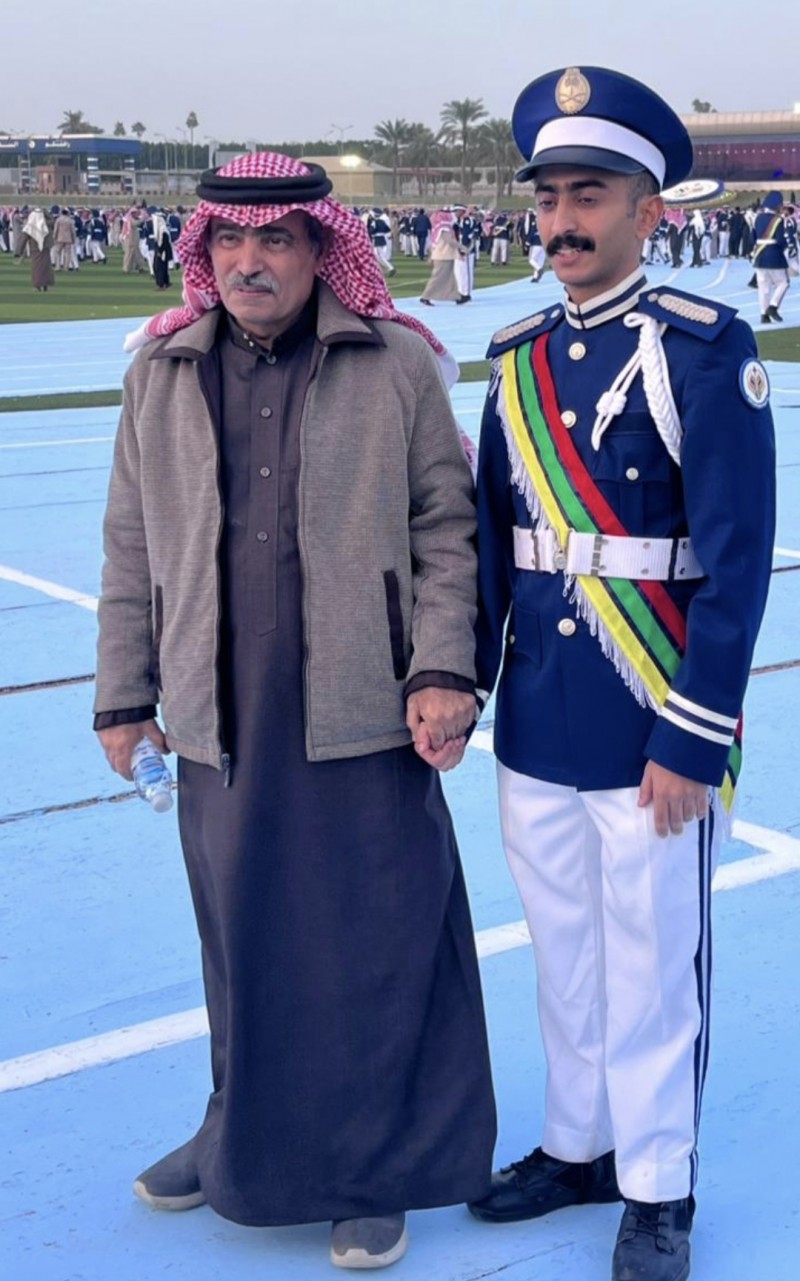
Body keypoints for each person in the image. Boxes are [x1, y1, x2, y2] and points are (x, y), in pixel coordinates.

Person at [93, 151, 496, 1271]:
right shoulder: (161, 372)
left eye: (275, 238)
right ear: (204, 252)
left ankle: (373, 1170)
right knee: (240, 938)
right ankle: (234, 1128)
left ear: (322, 249)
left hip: (365, 704)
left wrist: (442, 668)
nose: (249, 261)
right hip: (217, 710)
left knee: (370, 941)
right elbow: (130, 543)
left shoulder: (394, 364)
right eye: (228, 240)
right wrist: (125, 695)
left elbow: (446, 526)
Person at [468, 65, 776, 1281]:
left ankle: (656, 1188)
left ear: (647, 211)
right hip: (536, 719)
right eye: (547, 197)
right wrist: (463, 686)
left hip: (651, 717)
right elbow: (493, 543)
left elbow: (736, 564)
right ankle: (577, 1145)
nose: (560, 222)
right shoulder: (515, 356)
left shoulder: (701, 347)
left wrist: (693, 733)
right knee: (563, 953)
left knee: (651, 966)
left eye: (586, 196)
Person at [752, 190, 791, 323]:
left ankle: (764, 315)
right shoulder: (777, 220)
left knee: (763, 288)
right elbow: (780, 240)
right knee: (783, 283)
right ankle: (773, 306)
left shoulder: (757, 218)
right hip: (774, 255)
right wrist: (786, 248)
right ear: (777, 205)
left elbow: (753, 237)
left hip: (759, 256)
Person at [419, 209, 460, 305]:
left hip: (445, 255)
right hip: (443, 256)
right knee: (437, 277)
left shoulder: (440, 227)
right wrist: (462, 247)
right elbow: (449, 240)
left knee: (450, 278)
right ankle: (425, 296)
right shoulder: (444, 228)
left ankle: (456, 297)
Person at [15, 206, 54, 291]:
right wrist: (44, 211)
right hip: (45, 248)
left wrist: (19, 251)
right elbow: (52, 219)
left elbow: (23, 238)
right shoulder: (46, 224)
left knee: (36, 268)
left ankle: (37, 285)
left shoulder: (30, 225)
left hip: (34, 249)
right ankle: (45, 284)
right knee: (46, 267)